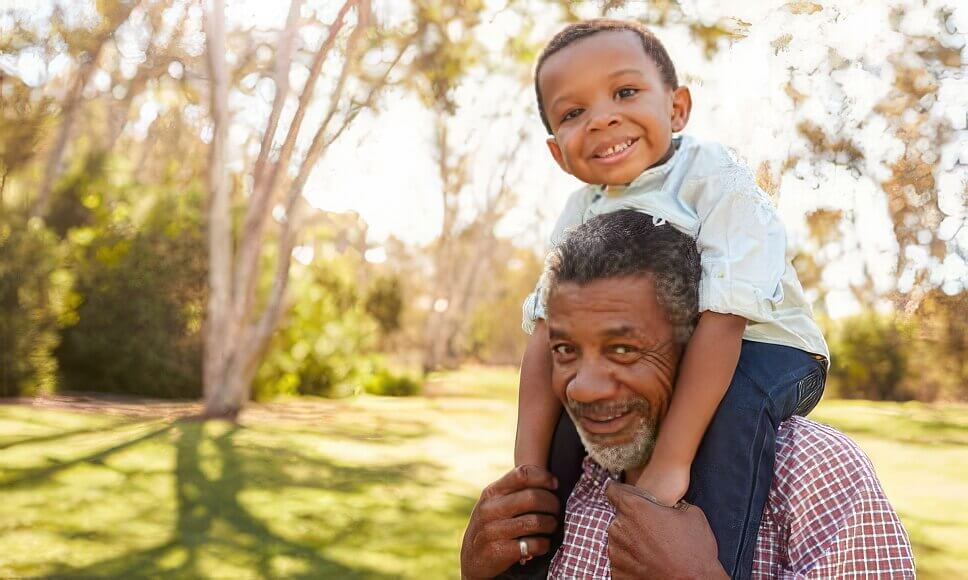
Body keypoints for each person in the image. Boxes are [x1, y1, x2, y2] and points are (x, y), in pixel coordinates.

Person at [513, 19, 829, 577]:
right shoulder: (578, 212)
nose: (603, 117)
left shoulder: (714, 179)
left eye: (625, 92)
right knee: (572, 418)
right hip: (674, 357)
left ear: (678, 107)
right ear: (558, 153)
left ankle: (709, 561)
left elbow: (725, 320)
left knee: (733, 409)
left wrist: (670, 465)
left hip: (770, 349)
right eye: (572, 113)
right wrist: (526, 469)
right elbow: (546, 335)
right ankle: (534, 561)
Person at [463, 210, 914, 579]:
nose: (582, 386)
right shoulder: (566, 480)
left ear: (695, 344)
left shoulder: (814, 473)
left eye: (623, 348)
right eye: (565, 349)